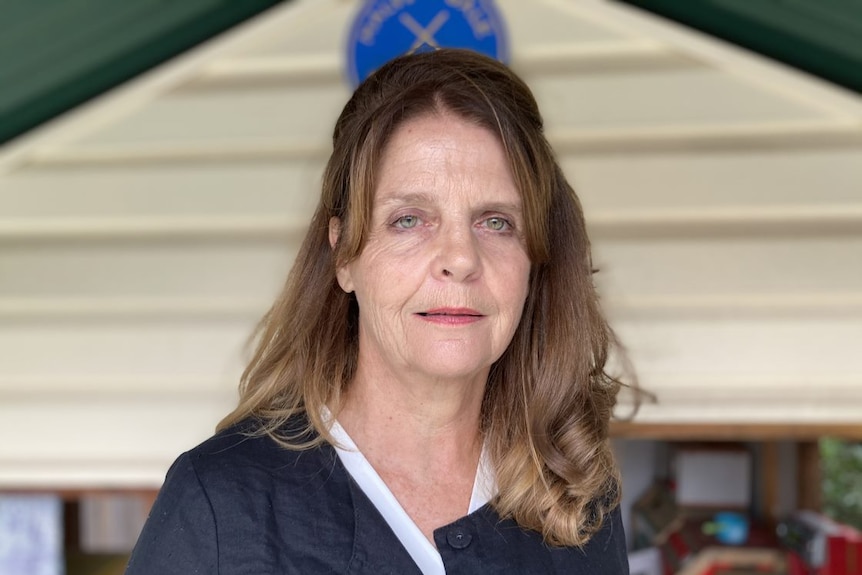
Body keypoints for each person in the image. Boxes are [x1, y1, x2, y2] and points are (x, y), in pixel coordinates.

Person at [125, 48, 629, 574]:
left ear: (536, 259)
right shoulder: (220, 506)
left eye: (496, 222)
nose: (460, 259)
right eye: (409, 220)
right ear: (344, 255)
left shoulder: (579, 499)